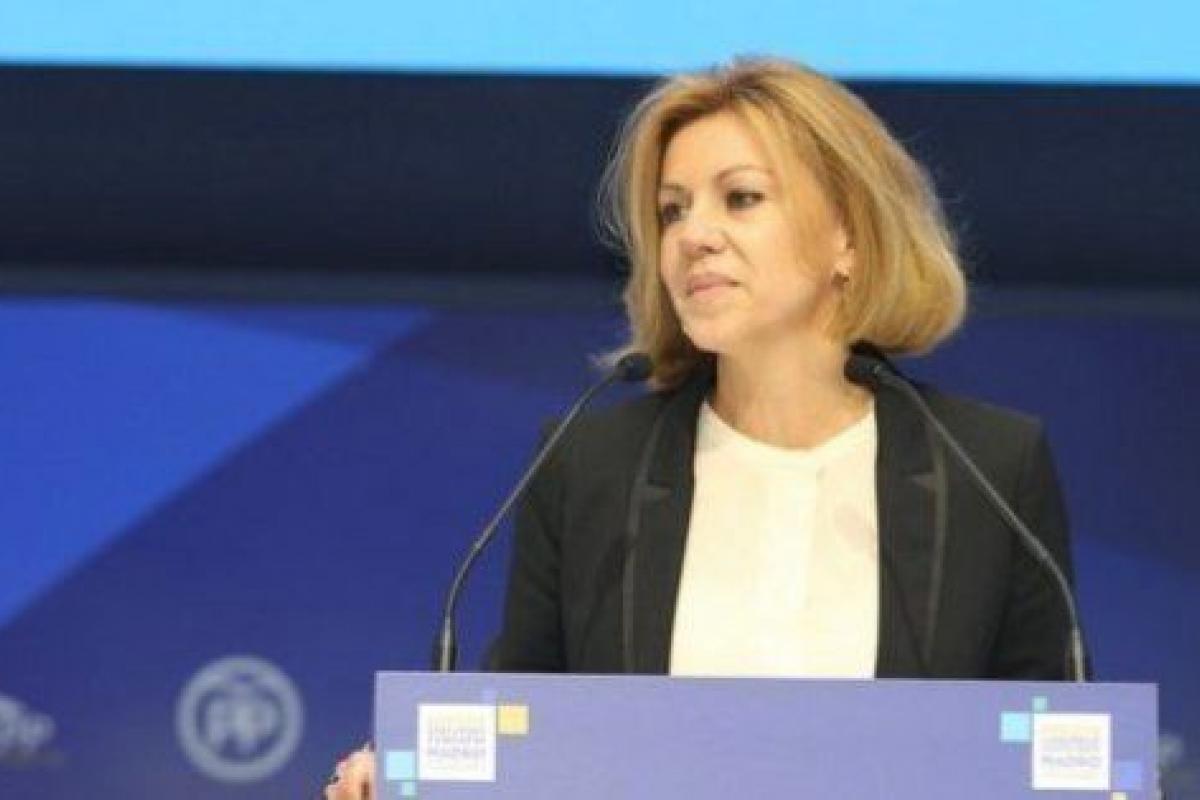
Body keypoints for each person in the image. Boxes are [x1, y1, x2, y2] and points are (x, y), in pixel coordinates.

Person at [325, 56, 1077, 798]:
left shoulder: (989, 469)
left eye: (741, 198)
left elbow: (1056, 754)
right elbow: (524, 731)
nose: (694, 236)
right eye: (672, 210)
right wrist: (412, 775)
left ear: (847, 237)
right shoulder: (591, 467)